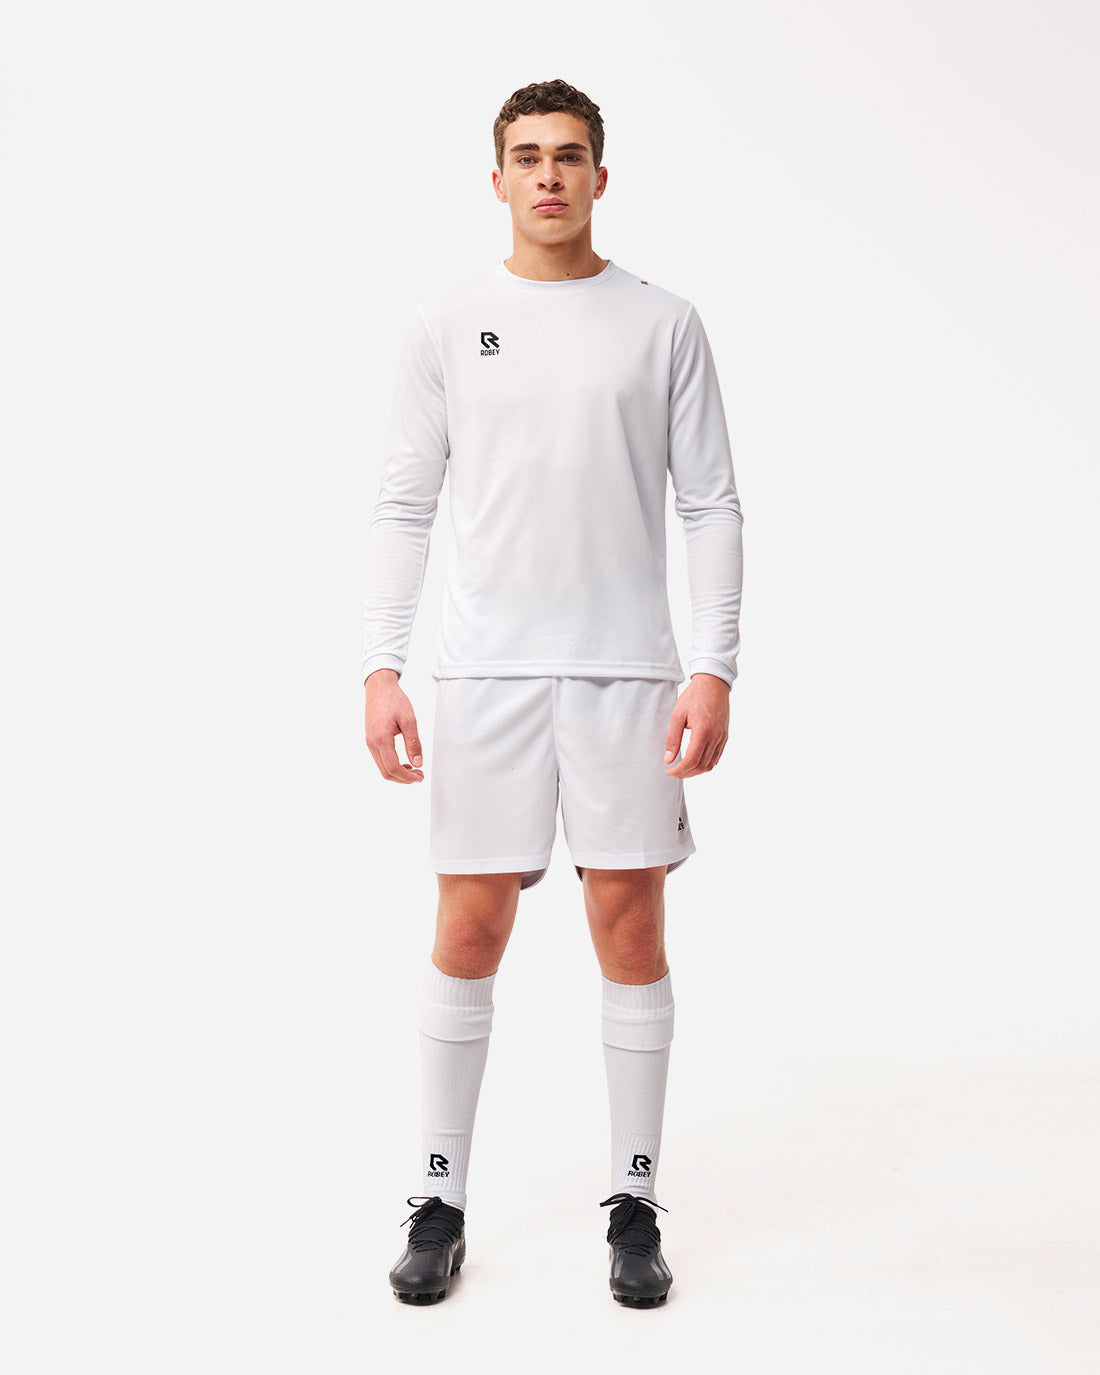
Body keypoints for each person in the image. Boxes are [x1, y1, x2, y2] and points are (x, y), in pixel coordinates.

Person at [361, 77, 743, 1306]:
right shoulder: (447, 324)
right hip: (484, 675)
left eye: (567, 155)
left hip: (626, 671)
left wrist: (712, 666)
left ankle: (634, 1201)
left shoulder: (661, 322)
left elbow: (710, 503)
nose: (547, 174)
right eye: (526, 156)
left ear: (598, 176)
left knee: (628, 927)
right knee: (468, 927)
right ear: (496, 179)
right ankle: (437, 1198)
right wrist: (380, 664)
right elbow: (404, 505)